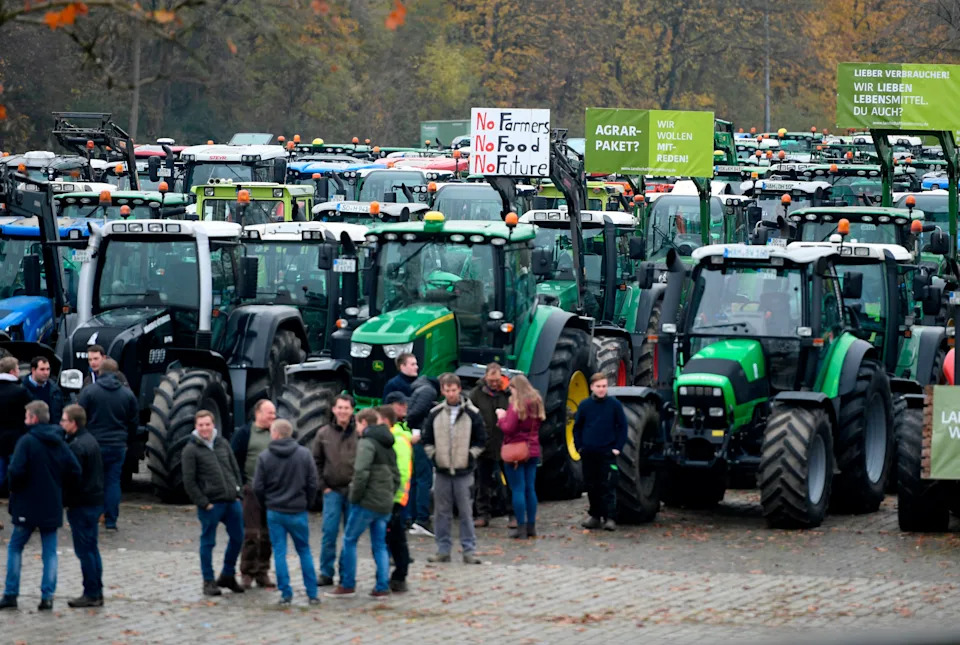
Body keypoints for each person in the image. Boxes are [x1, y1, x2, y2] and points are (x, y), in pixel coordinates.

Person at [0, 401, 81, 611]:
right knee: (50, 552)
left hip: (26, 504)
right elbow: (74, 470)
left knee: (16, 547)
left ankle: (10, 594)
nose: (25, 419)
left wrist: (15, 490)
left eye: (27, 415)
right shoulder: (59, 442)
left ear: (34, 418)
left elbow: (15, 472)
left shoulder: (26, 442)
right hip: (51, 503)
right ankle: (47, 597)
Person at [327, 408, 399, 598]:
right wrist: (389, 494)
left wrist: (354, 497)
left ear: (364, 423)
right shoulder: (388, 443)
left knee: (350, 540)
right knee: (380, 544)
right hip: (384, 503)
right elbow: (396, 475)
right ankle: (382, 586)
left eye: (358, 424)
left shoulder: (367, 443)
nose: (357, 428)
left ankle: (347, 583)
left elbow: (361, 473)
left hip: (367, 502)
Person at [254, 418, 320, 606]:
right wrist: (307, 502)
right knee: (304, 551)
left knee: (280, 553)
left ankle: (285, 593)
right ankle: (312, 593)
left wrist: (266, 503)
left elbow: (258, 486)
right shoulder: (304, 454)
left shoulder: (265, 457)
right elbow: (313, 482)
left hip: (275, 511)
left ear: (274, 434)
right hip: (298, 510)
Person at [422, 373, 486, 565]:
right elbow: (427, 439)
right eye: (447, 390)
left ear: (459, 389)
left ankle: (469, 550)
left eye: (453, 390)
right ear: (442, 391)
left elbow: (481, 440)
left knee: (466, 512)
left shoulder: (472, 413)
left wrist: (469, 456)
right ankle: (443, 549)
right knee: (442, 513)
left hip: (464, 472)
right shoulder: (435, 413)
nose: (450, 393)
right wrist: (434, 456)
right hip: (442, 471)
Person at [181, 410, 245, 597]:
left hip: (231, 501)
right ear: (196, 427)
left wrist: (238, 492)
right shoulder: (190, 450)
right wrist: (203, 502)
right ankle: (208, 581)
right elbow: (189, 481)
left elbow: (234, 469)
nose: (205, 428)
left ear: (213, 425)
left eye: (207, 424)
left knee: (238, 538)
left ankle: (228, 574)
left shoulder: (222, 443)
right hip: (210, 504)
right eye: (201, 425)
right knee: (208, 542)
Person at [77, 358, 137, 531]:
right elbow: (133, 421)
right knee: (113, 482)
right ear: (117, 373)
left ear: (99, 372)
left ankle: (93, 516)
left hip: (94, 444)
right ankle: (111, 520)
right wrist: (127, 440)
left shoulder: (89, 392)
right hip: (118, 444)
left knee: (93, 481)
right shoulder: (127, 394)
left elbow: (81, 416)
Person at [61, 404, 105, 607]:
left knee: (85, 550)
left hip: (82, 504)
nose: (61, 424)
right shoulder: (90, 440)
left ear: (74, 423)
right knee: (92, 549)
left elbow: (73, 478)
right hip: (93, 501)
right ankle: (96, 590)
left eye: (64, 420)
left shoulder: (77, 446)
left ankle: (91, 592)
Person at [313, 393, 358, 588]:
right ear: (333, 409)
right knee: (329, 533)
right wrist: (323, 486)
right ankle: (326, 572)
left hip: (354, 492)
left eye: (346, 408)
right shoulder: (323, 434)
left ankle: (347, 574)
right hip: (332, 491)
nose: (342, 411)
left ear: (352, 410)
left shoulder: (360, 433)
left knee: (350, 536)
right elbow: (316, 462)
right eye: (339, 408)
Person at [230, 399, 276, 589]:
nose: (273, 416)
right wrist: (240, 486)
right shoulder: (244, 433)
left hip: (273, 492)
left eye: (274, 413)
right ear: (258, 413)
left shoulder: (276, 433)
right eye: (270, 413)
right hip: (250, 490)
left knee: (268, 535)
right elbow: (233, 459)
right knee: (251, 534)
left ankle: (262, 572)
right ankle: (247, 572)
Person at [572, 373, 628, 531]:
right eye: (598, 387)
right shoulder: (584, 406)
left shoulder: (614, 405)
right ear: (592, 387)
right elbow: (577, 428)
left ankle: (610, 517)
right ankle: (595, 516)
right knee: (591, 485)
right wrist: (579, 447)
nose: (602, 389)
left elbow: (622, 427)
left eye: (604, 386)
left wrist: (618, 447)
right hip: (589, 452)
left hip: (607, 452)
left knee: (608, 485)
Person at [496, 375, 543, 540]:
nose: (511, 392)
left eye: (512, 389)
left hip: (516, 451)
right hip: (533, 450)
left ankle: (521, 527)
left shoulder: (517, 405)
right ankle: (531, 527)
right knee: (530, 488)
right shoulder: (537, 403)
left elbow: (509, 428)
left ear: (517, 388)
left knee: (517, 489)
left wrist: (501, 418)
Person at [468, 363, 510, 528]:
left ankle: (512, 513)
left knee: (510, 482)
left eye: (496, 380)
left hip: (504, 444)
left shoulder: (507, 393)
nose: (494, 383)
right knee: (482, 483)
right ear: (485, 377)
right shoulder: (476, 394)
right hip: (484, 445)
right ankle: (483, 514)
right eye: (491, 380)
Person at [380, 401, 412, 592]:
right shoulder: (394, 439)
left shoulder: (397, 441)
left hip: (395, 497)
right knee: (393, 537)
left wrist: (394, 492)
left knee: (397, 538)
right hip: (392, 495)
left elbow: (400, 471)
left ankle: (400, 574)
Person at [405, 376, 438, 536]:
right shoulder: (429, 391)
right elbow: (416, 414)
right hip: (423, 440)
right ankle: (422, 519)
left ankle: (411, 517)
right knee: (424, 479)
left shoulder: (417, 389)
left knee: (415, 479)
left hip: (416, 439)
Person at [0, 356, 31, 492]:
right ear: (12, 371)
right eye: (18, 368)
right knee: (15, 468)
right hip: (15, 437)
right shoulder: (20, 391)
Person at [22, 356, 64, 426]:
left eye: (48, 369)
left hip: (51, 431)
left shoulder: (55, 390)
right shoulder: (22, 389)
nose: (46, 373)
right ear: (33, 370)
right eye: (42, 369)